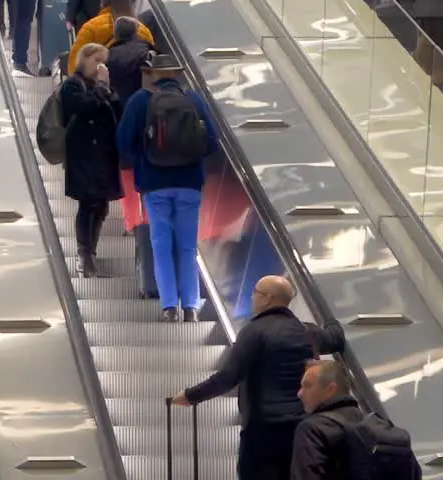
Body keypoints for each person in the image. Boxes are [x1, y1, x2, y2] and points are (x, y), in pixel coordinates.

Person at [172, 276, 347, 480]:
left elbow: (229, 376)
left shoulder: (254, 331)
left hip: (262, 430)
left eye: (255, 292)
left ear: (267, 299)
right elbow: (335, 338)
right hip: (300, 428)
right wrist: (331, 312)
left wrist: (190, 395)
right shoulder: (307, 332)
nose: (251, 296)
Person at [116, 53, 217, 321]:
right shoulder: (194, 100)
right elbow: (212, 143)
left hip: (154, 183)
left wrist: (145, 155)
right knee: (187, 246)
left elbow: (123, 142)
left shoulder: (141, 100)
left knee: (160, 243)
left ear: (153, 74)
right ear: (179, 73)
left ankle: (169, 306)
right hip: (190, 184)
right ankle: (192, 307)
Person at [61, 43, 123, 277]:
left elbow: (117, 112)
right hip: (84, 156)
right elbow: (82, 109)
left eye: (103, 62)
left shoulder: (100, 86)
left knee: (101, 207)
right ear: (85, 59)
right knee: (87, 204)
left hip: (104, 156)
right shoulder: (73, 85)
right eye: (97, 60)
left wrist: (110, 92)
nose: (100, 67)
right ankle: (84, 256)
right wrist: (100, 87)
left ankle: (92, 254)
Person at [106, 17, 153, 235]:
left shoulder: (108, 57)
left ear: (116, 34)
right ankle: (148, 219)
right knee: (147, 169)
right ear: (136, 32)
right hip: (145, 118)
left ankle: (131, 223)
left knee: (125, 171)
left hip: (117, 119)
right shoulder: (147, 52)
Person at [291, 360, 366, 480]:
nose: (299, 393)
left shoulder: (312, 430)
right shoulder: (369, 423)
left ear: (330, 389)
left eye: (307, 385)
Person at [68, 0, 153, 75]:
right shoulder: (143, 30)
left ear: (102, 4)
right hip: (137, 85)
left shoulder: (92, 27)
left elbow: (75, 62)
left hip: (102, 85)